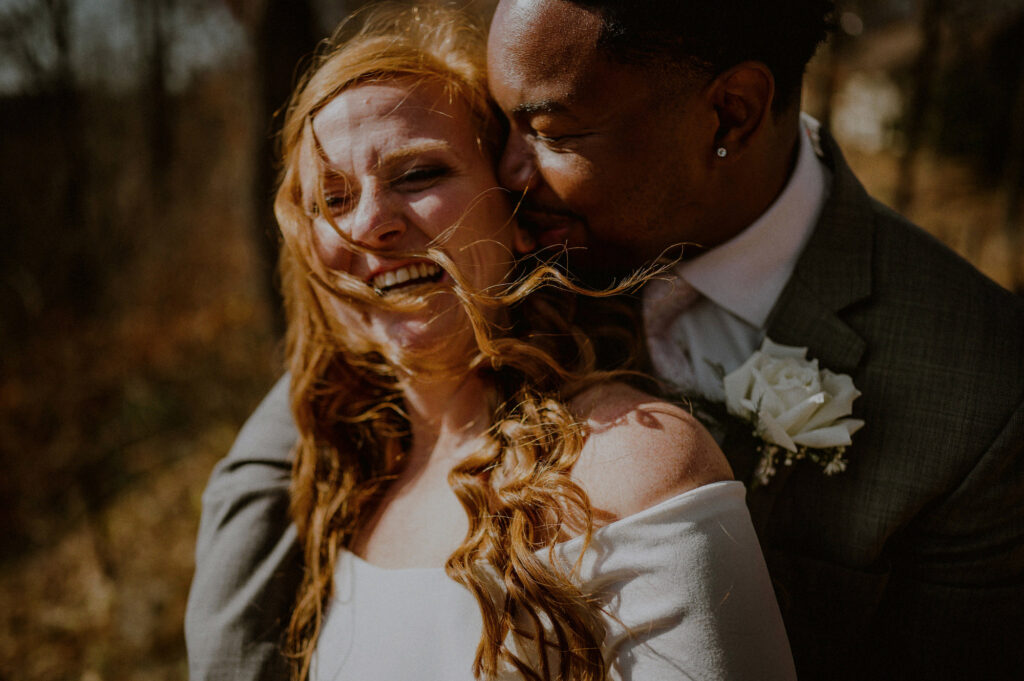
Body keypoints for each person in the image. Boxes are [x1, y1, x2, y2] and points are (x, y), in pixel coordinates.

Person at [187, 0, 1024, 679]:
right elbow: (300, 419)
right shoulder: (509, 244)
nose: (508, 172)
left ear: (731, 110)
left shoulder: (983, 390)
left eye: (550, 132)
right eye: (502, 124)